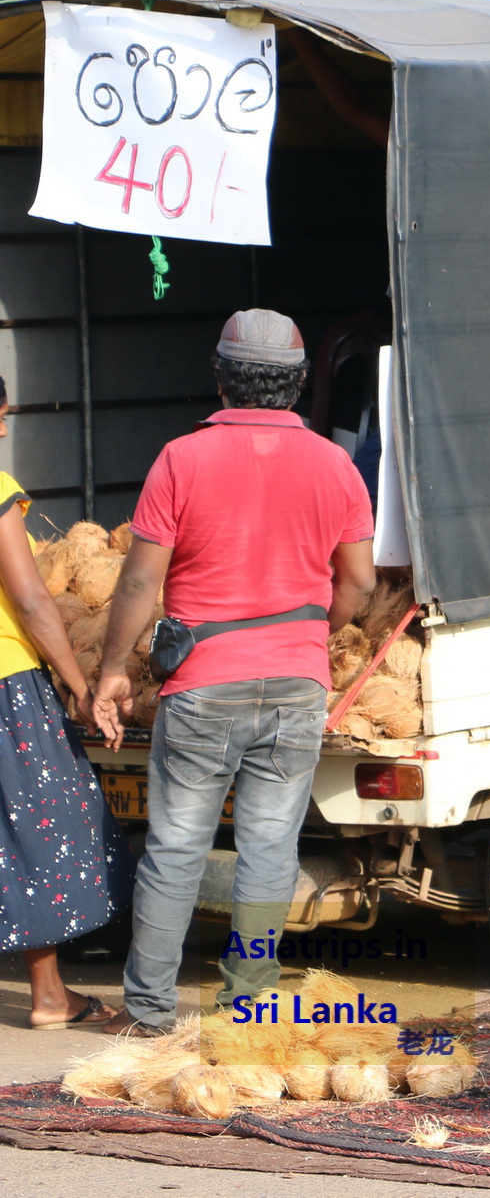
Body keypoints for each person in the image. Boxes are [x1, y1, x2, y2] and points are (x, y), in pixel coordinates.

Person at [99, 310, 377, 1036]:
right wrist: (314, 633)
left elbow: (137, 585)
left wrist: (109, 672)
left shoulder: (180, 459)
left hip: (203, 682)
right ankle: (248, 1005)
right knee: (269, 847)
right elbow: (358, 583)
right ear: (295, 385)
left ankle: (151, 1011)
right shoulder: (335, 465)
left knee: (177, 845)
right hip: (296, 681)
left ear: (220, 378)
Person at [0, 374, 130, 1027]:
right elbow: (29, 599)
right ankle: (51, 994)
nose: (2, 431)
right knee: (40, 824)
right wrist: (80, 687)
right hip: (5, 686)